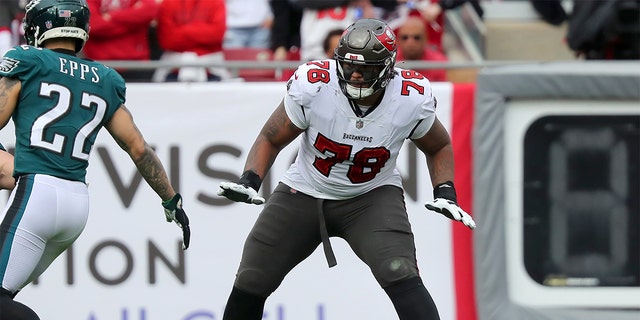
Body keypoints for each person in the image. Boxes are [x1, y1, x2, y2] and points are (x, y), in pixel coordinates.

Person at [217, 18, 476, 320]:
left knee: (400, 272)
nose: (353, 75)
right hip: (303, 192)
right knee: (252, 278)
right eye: (348, 65)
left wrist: (445, 190)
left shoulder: (410, 97)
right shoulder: (315, 85)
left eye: (364, 69)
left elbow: (438, 145)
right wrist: (251, 178)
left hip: (371, 197)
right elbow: (270, 138)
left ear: (387, 69)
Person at [0, 0, 190, 318]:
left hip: (37, 194)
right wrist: (171, 200)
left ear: (36, 27)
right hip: (76, 204)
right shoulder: (104, 77)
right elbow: (139, 148)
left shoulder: (27, 60)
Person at [151, 0, 230, 82]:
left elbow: (217, 34)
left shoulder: (216, 2)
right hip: (173, 70)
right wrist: (201, 29)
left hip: (211, 70)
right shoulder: (168, 3)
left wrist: (184, 30)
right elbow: (167, 40)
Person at [83, 0, 161, 82]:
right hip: (99, 67)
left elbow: (149, 10)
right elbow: (92, 25)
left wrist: (111, 17)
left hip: (136, 66)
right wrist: (131, 21)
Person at [396, 16, 448, 81]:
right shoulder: (389, 61)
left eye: (417, 37)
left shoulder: (439, 63)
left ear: (426, 39)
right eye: (405, 37)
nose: (410, 42)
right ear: (398, 40)